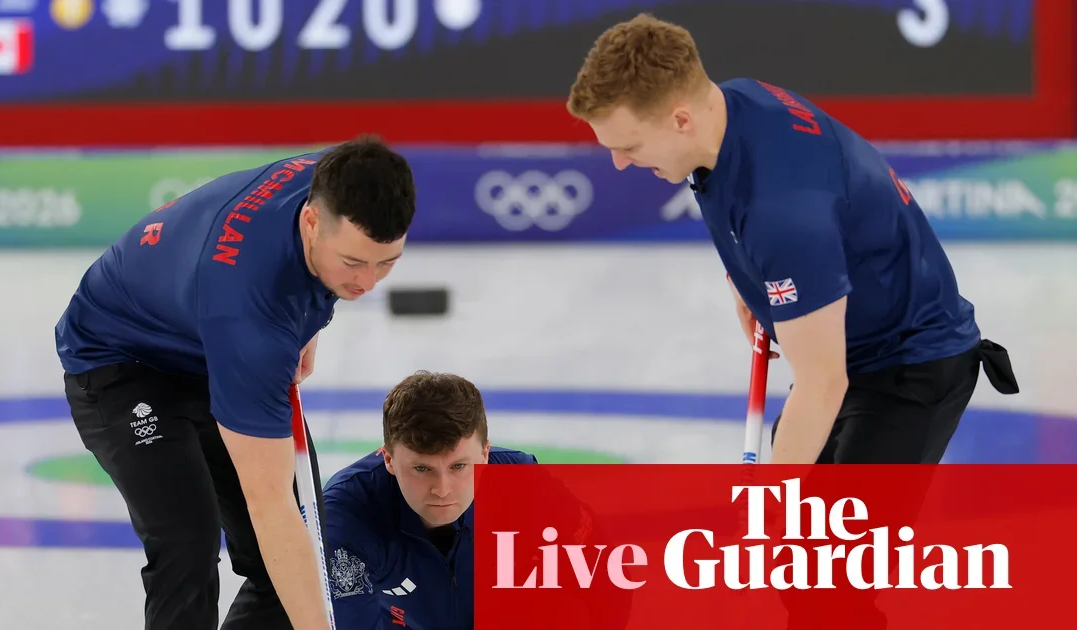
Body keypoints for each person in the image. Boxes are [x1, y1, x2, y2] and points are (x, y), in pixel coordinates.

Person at [565, 14, 1019, 468]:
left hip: (908, 365)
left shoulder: (784, 212)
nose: (619, 162)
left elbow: (822, 383)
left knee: (824, 514)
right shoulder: (732, 106)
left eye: (629, 146)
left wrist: (771, 498)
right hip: (846, 344)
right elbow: (739, 204)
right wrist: (747, 280)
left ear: (680, 120)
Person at [54, 137, 417, 630]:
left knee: (299, 559)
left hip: (209, 331)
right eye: (353, 263)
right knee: (187, 541)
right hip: (121, 359)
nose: (368, 283)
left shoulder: (337, 178)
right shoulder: (250, 318)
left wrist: (308, 320)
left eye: (387, 262)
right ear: (311, 222)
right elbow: (270, 506)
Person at [322, 371, 632, 629]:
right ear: (388, 459)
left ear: (484, 455)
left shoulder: (523, 484)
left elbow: (605, 578)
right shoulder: (346, 516)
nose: (442, 489)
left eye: (458, 466)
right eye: (422, 469)